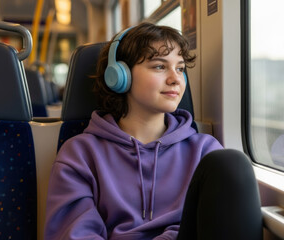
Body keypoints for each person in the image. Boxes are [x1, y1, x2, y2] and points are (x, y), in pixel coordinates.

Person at [44, 22, 262, 240]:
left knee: (232, 163)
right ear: (120, 76)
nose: (176, 79)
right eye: (160, 66)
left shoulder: (204, 150)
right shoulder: (80, 154)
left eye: (180, 68)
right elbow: (74, 234)